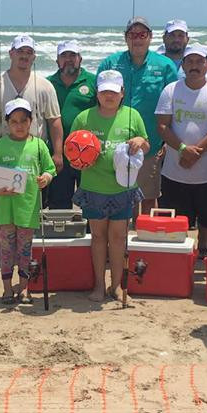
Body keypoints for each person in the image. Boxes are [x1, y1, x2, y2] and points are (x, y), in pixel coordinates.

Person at [70, 70, 148, 303]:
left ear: (122, 93)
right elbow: (72, 151)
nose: (109, 96)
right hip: (94, 187)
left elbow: (146, 144)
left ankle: (116, 286)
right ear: (97, 93)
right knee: (97, 237)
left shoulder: (132, 116)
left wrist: (139, 142)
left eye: (114, 92)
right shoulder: (84, 118)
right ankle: (98, 285)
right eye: (104, 91)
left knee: (118, 238)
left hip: (122, 188)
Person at [155, 45, 207, 259]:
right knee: (176, 225)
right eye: (190, 62)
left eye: (199, 62)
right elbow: (161, 125)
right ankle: (177, 261)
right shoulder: (171, 90)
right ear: (183, 65)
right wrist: (182, 149)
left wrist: (194, 153)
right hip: (174, 173)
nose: (194, 66)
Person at [97, 17, 178, 214]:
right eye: (133, 35)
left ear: (150, 38)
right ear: (126, 38)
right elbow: (98, 98)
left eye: (142, 35)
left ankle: (143, 239)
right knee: (123, 199)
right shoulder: (110, 63)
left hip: (150, 146)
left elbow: (175, 106)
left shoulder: (165, 66)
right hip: (114, 144)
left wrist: (168, 142)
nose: (138, 39)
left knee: (148, 199)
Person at [0, 98, 56, 304]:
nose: (19, 125)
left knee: (25, 251)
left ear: (31, 121)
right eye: (14, 121)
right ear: (7, 123)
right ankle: (7, 289)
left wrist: (46, 179)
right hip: (5, 210)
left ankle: (23, 288)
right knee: (6, 252)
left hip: (28, 208)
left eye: (24, 120)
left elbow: (50, 169)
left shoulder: (39, 145)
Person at [0, 34, 63, 171]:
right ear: (11, 54)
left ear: (34, 57)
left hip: (34, 158)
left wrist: (58, 154)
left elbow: (54, 121)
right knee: (1, 192)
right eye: (20, 51)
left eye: (29, 52)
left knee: (33, 192)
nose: (24, 56)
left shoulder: (45, 86)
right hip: (1, 158)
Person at [46, 40, 97, 209]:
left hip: (88, 154)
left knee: (90, 203)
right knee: (58, 203)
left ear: (80, 59)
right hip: (58, 155)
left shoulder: (93, 81)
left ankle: (92, 235)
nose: (68, 59)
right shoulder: (47, 84)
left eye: (72, 55)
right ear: (57, 61)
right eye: (64, 55)